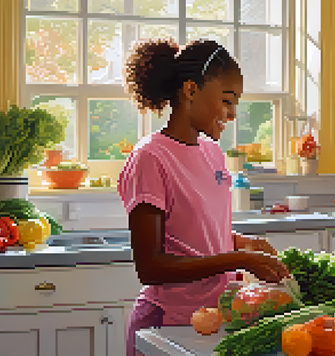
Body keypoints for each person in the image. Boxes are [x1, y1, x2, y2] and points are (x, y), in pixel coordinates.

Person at [118, 38, 290, 356]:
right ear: (190, 90)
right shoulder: (150, 158)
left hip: (215, 320)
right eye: (227, 100)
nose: (233, 113)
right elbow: (150, 266)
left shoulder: (212, 153)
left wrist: (243, 243)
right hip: (167, 325)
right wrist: (241, 259)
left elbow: (199, 231)